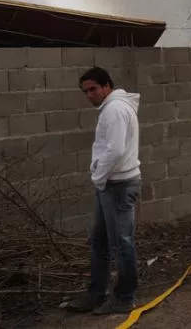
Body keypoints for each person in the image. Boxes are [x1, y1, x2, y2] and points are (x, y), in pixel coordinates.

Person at [67, 66, 142, 315]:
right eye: (85, 91)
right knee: (99, 242)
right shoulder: (111, 108)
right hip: (108, 184)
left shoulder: (115, 109)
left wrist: (98, 175)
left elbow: (116, 149)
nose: (89, 95)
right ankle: (96, 294)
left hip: (118, 186)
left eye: (93, 89)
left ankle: (124, 297)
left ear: (107, 86)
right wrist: (100, 178)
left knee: (122, 244)